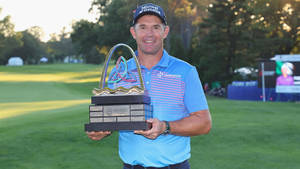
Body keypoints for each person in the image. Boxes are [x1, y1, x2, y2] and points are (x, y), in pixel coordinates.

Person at [87, 3, 212, 169]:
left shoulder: (185, 71)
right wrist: (100, 130)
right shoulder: (119, 72)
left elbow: (204, 123)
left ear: (165, 31)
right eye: (143, 27)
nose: (149, 34)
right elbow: (111, 117)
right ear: (134, 32)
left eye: (156, 27)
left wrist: (166, 127)